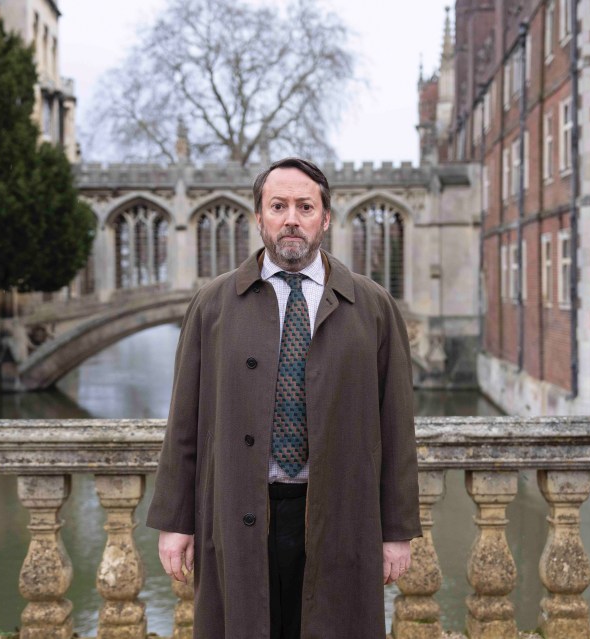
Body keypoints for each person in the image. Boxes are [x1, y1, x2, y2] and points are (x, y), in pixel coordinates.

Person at [146, 157, 421, 639]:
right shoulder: (213, 305)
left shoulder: (373, 307)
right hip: (238, 509)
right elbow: (183, 423)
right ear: (259, 218)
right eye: (278, 206)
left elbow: (397, 428)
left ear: (326, 218)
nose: (291, 218)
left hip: (338, 513)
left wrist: (396, 531)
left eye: (304, 206)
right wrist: (175, 521)